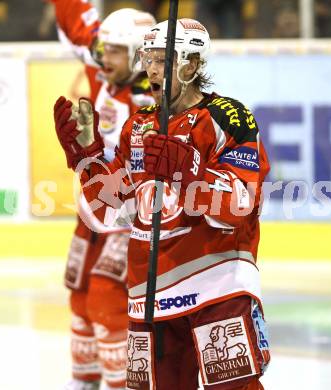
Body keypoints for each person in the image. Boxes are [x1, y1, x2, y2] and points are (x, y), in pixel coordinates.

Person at [54, 17, 271, 390]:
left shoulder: (226, 117)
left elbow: (241, 205)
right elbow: (107, 214)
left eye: (163, 60)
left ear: (190, 65)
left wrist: (191, 172)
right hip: (149, 295)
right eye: (148, 59)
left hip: (216, 288)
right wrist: (86, 159)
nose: (151, 69)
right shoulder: (137, 126)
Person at [50, 1, 156, 389]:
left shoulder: (156, 103)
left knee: (107, 298)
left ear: (142, 56)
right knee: (78, 296)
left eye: (114, 51)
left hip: (128, 216)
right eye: (104, 48)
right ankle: (85, 382)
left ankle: (122, 383)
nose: (102, 57)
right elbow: (76, 21)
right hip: (95, 208)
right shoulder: (105, 62)